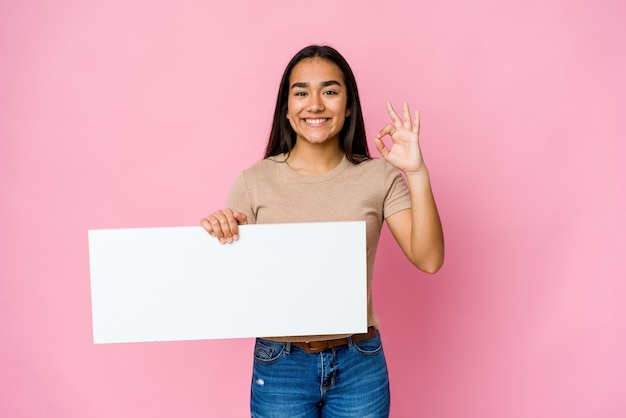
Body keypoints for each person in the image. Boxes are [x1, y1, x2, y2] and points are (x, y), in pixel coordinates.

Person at [200, 44, 444, 418]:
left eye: (330, 91)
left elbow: (428, 259)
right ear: (287, 106)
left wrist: (416, 172)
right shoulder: (253, 182)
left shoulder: (378, 176)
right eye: (301, 93)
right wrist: (221, 236)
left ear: (348, 106)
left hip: (358, 360)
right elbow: (232, 289)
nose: (315, 104)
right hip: (281, 362)